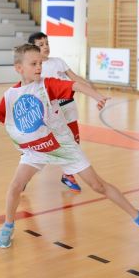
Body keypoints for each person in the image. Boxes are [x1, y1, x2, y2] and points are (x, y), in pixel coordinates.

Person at [0, 44, 139, 248]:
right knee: (15, 186)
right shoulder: (10, 95)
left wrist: (97, 96)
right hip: (35, 149)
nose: (39, 67)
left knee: (98, 186)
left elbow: (74, 85)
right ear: (19, 68)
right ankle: (8, 226)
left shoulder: (47, 85)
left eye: (40, 63)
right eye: (34, 64)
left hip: (63, 146)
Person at [28, 31, 93, 193]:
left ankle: (68, 175)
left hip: (68, 108)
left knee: (74, 142)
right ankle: (24, 176)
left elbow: (74, 78)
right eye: (41, 45)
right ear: (32, 49)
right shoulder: (35, 69)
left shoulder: (58, 62)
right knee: (41, 147)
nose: (45, 47)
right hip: (50, 114)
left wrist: (89, 86)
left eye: (47, 43)